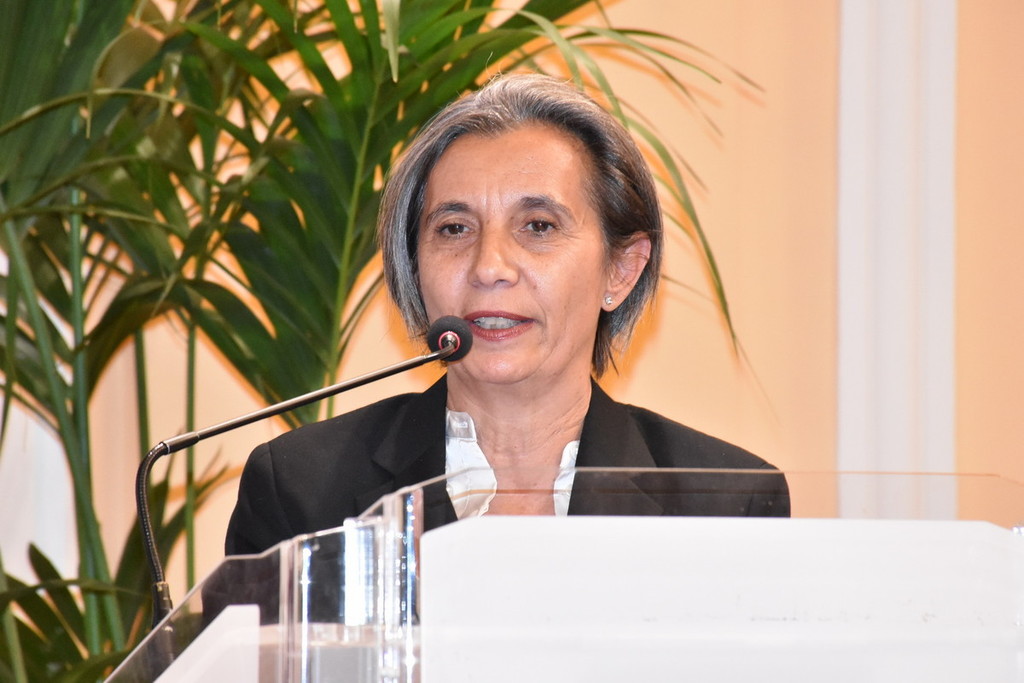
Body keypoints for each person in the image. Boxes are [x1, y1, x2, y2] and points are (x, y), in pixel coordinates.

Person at [224, 73, 789, 556]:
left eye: (538, 226)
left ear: (620, 270)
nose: (489, 267)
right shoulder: (301, 491)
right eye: (454, 229)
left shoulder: (725, 504)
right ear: (413, 265)